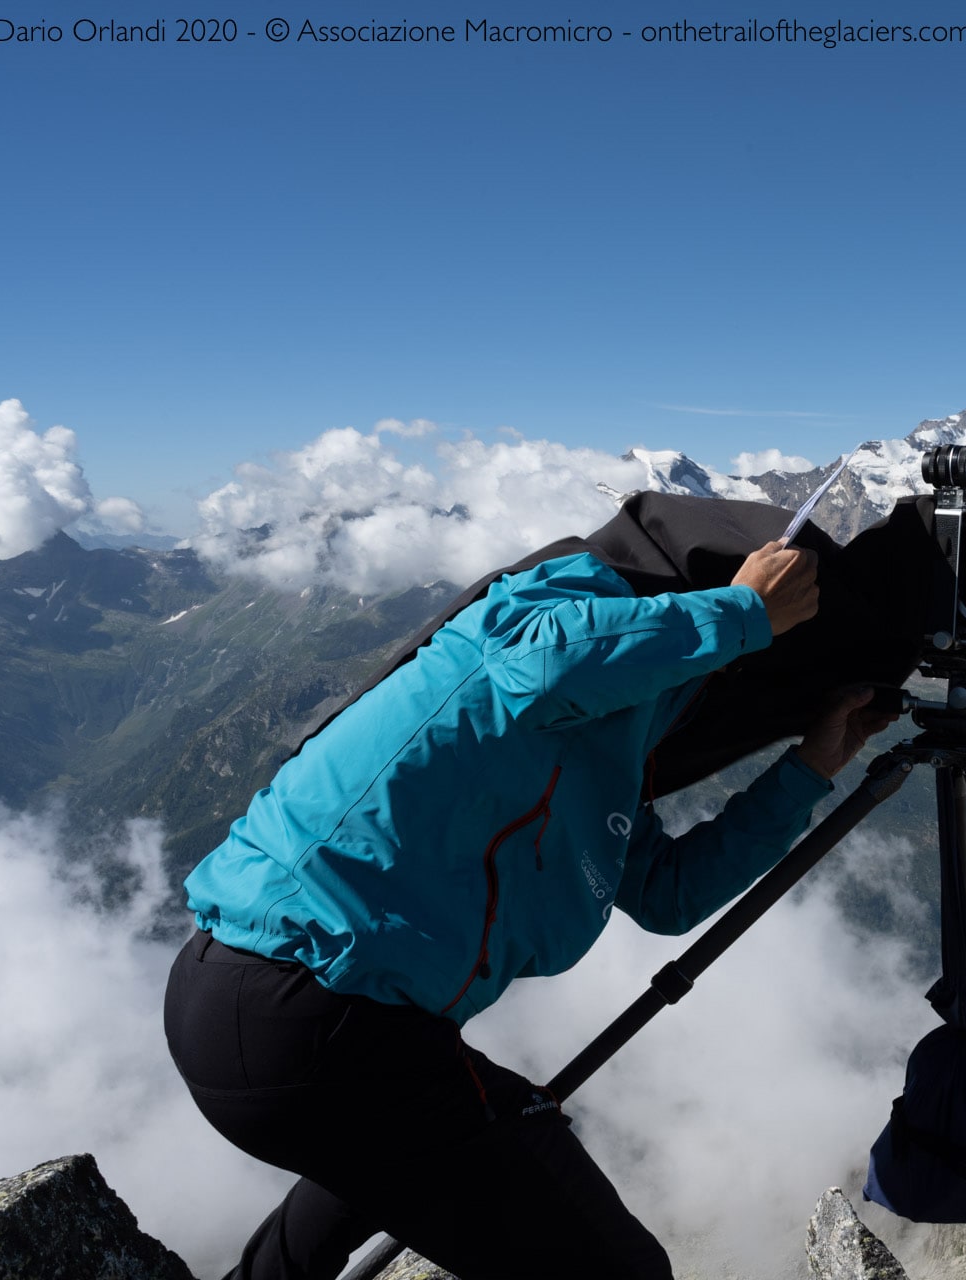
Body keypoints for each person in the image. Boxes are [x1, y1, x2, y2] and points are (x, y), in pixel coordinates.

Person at [164, 536, 896, 1280]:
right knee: (615, 1269)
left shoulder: (598, 765)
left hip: (258, 1014)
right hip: (316, 1017)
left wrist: (809, 769)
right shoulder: (535, 623)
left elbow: (670, 893)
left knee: (395, 1147)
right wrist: (742, 612)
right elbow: (549, 659)